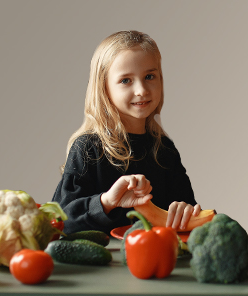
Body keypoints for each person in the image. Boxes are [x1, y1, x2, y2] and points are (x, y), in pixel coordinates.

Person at [52, 30, 201, 234]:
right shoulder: (87, 148)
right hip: (102, 263)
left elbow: (190, 213)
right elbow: (59, 221)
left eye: (149, 76)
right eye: (126, 80)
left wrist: (186, 212)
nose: (141, 90)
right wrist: (106, 202)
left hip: (159, 261)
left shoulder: (164, 150)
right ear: (104, 89)